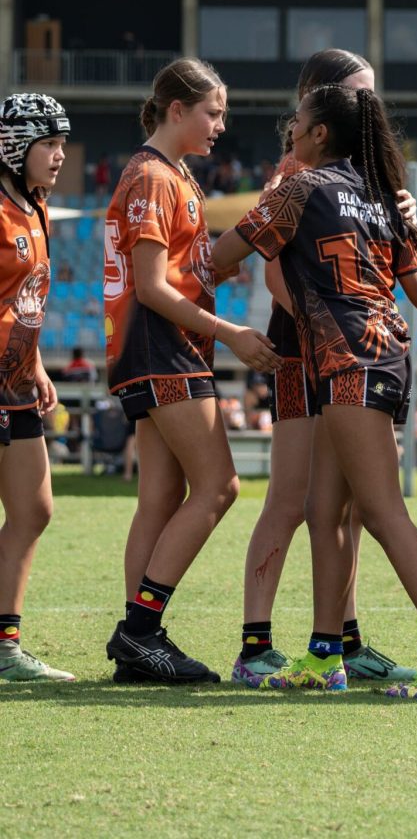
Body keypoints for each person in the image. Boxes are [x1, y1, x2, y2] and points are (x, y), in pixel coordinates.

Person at [214, 83, 417, 698]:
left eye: (299, 121)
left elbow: (220, 256)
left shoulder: (299, 188)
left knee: (383, 512)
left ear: (318, 134)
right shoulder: (385, 199)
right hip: (383, 357)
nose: (291, 129)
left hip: (349, 364)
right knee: (326, 513)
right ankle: (324, 654)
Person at [231, 49, 417, 689]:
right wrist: (320, 324)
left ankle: (340, 640)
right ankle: (257, 643)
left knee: (348, 507)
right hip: (307, 346)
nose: (372, 105)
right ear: (324, 102)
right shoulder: (300, 169)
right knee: (294, 498)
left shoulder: (366, 178)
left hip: (345, 351)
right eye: (360, 93)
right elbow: (272, 265)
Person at [104, 58, 281, 685]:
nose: (220, 126)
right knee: (220, 486)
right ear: (176, 110)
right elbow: (153, 287)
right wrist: (231, 331)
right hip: (161, 346)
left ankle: (138, 645)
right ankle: (141, 633)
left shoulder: (172, 175)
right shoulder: (154, 176)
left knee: (159, 498)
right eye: (212, 112)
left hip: (146, 351)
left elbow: (187, 270)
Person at [0, 92, 74, 682]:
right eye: (49, 144)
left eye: (61, 145)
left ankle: (5, 649)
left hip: (18, 386)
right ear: (15, 146)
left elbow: (23, 302)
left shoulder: (37, 206)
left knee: (34, 508)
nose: (59, 156)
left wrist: (39, 362)